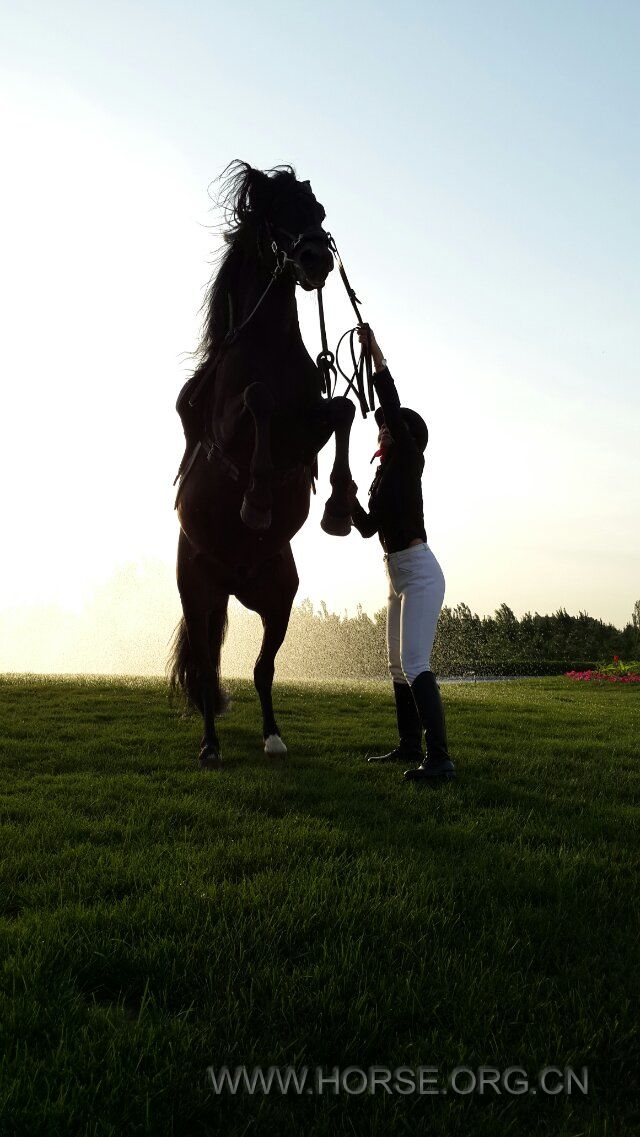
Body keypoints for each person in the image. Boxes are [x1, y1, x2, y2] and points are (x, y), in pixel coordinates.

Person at [348, 325, 455, 782]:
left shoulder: (410, 459)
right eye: (385, 426)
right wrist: (350, 498)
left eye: (392, 424)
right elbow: (370, 526)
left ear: (409, 437)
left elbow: (388, 402)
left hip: (421, 573)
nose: (385, 425)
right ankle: (409, 745)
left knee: (415, 664)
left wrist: (375, 355)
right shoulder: (385, 477)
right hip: (395, 575)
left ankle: (441, 759)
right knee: (396, 666)